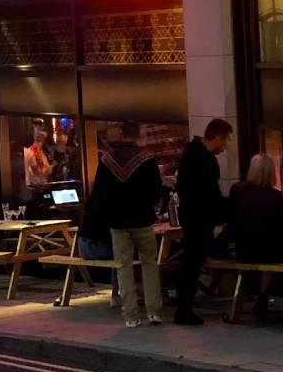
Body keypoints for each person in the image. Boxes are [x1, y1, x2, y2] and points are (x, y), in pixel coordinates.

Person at [90, 122, 164, 328]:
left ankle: (130, 316)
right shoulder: (147, 159)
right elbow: (156, 190)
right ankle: (154, 311)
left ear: (121, 134)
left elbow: (99, 193)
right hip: (142, 220)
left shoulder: (107, 160)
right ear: (138, 135)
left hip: (117, 222)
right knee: (149, 263)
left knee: (123, 267)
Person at [175, 119, 233, 326]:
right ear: (218, 136)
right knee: (192, 262)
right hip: (197, 218)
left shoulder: (198, 155)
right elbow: (206, 192)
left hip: (197, 216)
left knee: (193, 261)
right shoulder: (198, 157)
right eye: (226, 141)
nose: (226, 146)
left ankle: (184, 307)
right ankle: (183, 309)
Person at [226, 154, 282, 321]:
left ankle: (246, 298)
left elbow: (232, 220)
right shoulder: (276, 197)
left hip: (245, 249)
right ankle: (263, 297)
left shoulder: (237, 190)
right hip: (270, 252)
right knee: (271, 257)